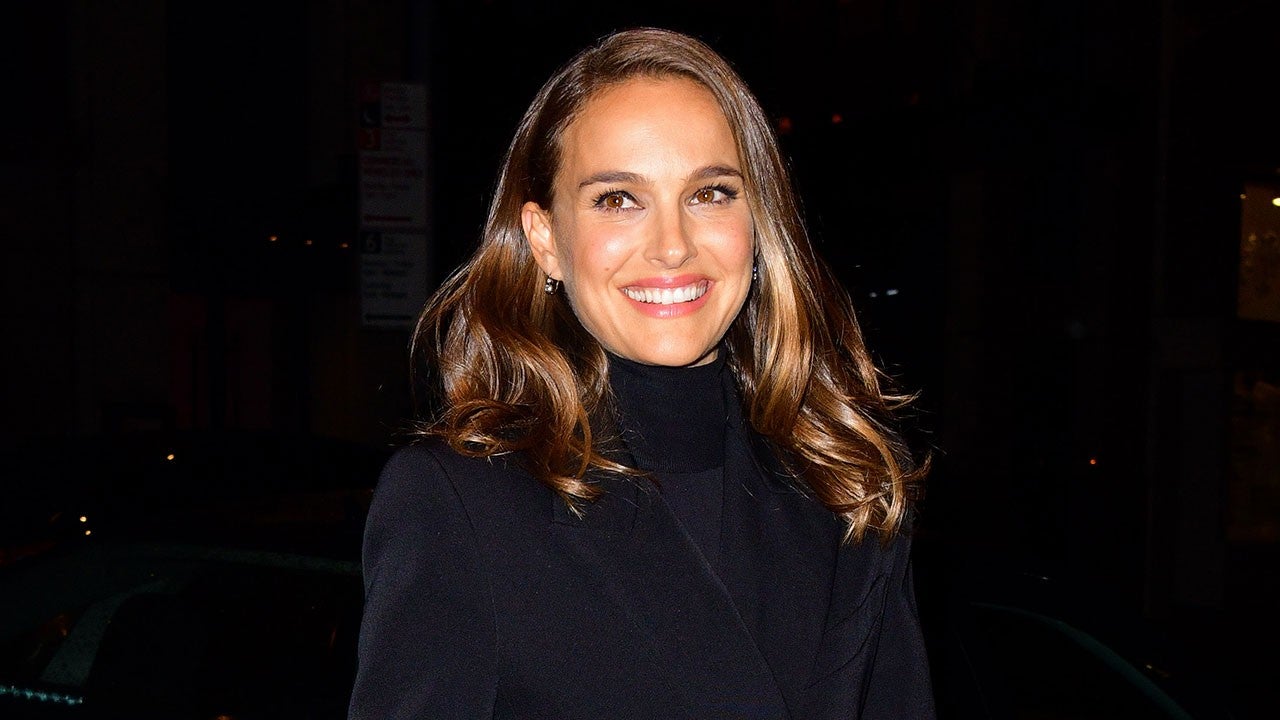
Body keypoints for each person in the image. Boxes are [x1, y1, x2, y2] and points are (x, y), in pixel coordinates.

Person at [349, 28, 933, 720]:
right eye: (617, 199)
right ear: (545, 240)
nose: (672, 246)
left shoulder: (849, 486)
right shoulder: (458, 505)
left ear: (759, 222)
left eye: (710, 193)